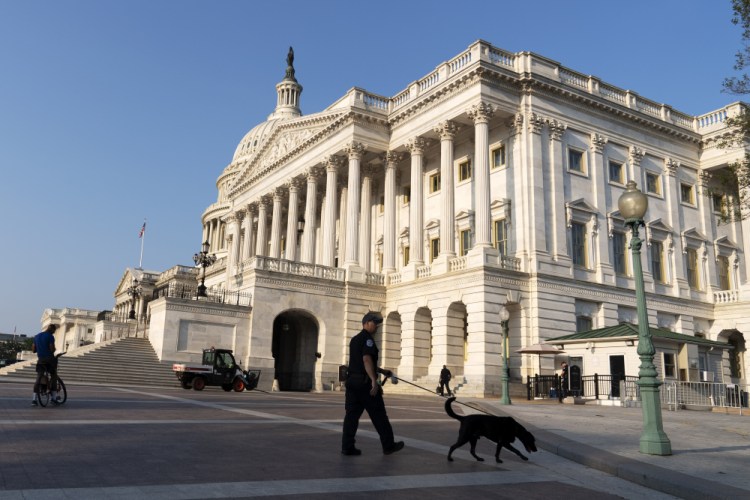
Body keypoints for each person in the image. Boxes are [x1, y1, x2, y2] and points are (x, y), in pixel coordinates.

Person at [341, 313, 404, 456]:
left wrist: (382, 371)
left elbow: (359, 363)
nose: (377, 326)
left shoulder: (355, 339)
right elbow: (366, 360)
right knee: (379, 416)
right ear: (367, 323)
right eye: (375, 323)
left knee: (351, 416)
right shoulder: (368, 339)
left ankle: (347, 446)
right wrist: (374, 381)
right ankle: (388, 445)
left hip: (352, 383)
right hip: (365, 385)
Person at [32, 324, 60, 406]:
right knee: (54, 376)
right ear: (52, 330)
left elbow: (33, 350)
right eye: (54, 331)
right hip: (49, 360)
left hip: (40, 360)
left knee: (38, 378)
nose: (54, 333)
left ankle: (34, 400)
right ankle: (53, 399)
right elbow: (52, 349)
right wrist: (54, 349)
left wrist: (40, 348)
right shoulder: (50, 336)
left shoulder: (36, 336)